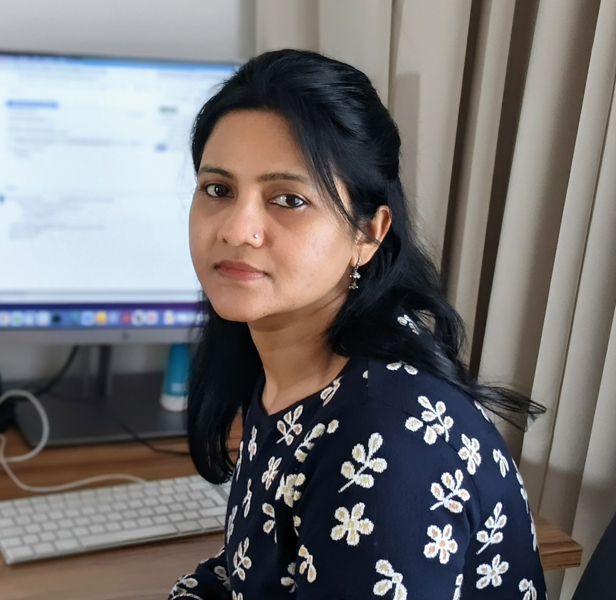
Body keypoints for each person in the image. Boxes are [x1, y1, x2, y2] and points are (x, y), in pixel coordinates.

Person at [170, 49, 546, 600]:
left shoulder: (384, 439)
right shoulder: (291, 365)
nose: (237, 228)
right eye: (218, 190)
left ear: (368, 235)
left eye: (289, 199)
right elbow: (255, 568)